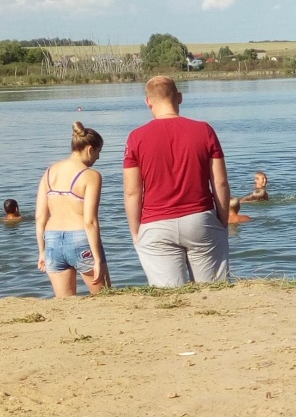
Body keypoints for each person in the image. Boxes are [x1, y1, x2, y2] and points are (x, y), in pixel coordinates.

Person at [123, 75, 231, 285]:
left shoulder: (136, 137)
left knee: (170, 296)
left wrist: (136, 231)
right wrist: (222, 222)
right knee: (214, 291)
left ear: (148, 101)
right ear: (180, 98)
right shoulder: (204, 130)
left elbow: (132, 192)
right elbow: (220, 183)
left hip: (155, 224)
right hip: (200, 219)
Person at [35, 120, 109, 297]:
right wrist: (97, 260)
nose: (97, 158)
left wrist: (42, 252)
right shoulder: (91, 176)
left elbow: (40, 217)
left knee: (65, 306)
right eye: (98, 152)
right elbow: (90, 221)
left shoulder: (49, 172)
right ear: (90, 149)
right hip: (80, 239)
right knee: (105, 300)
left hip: (52, 241)